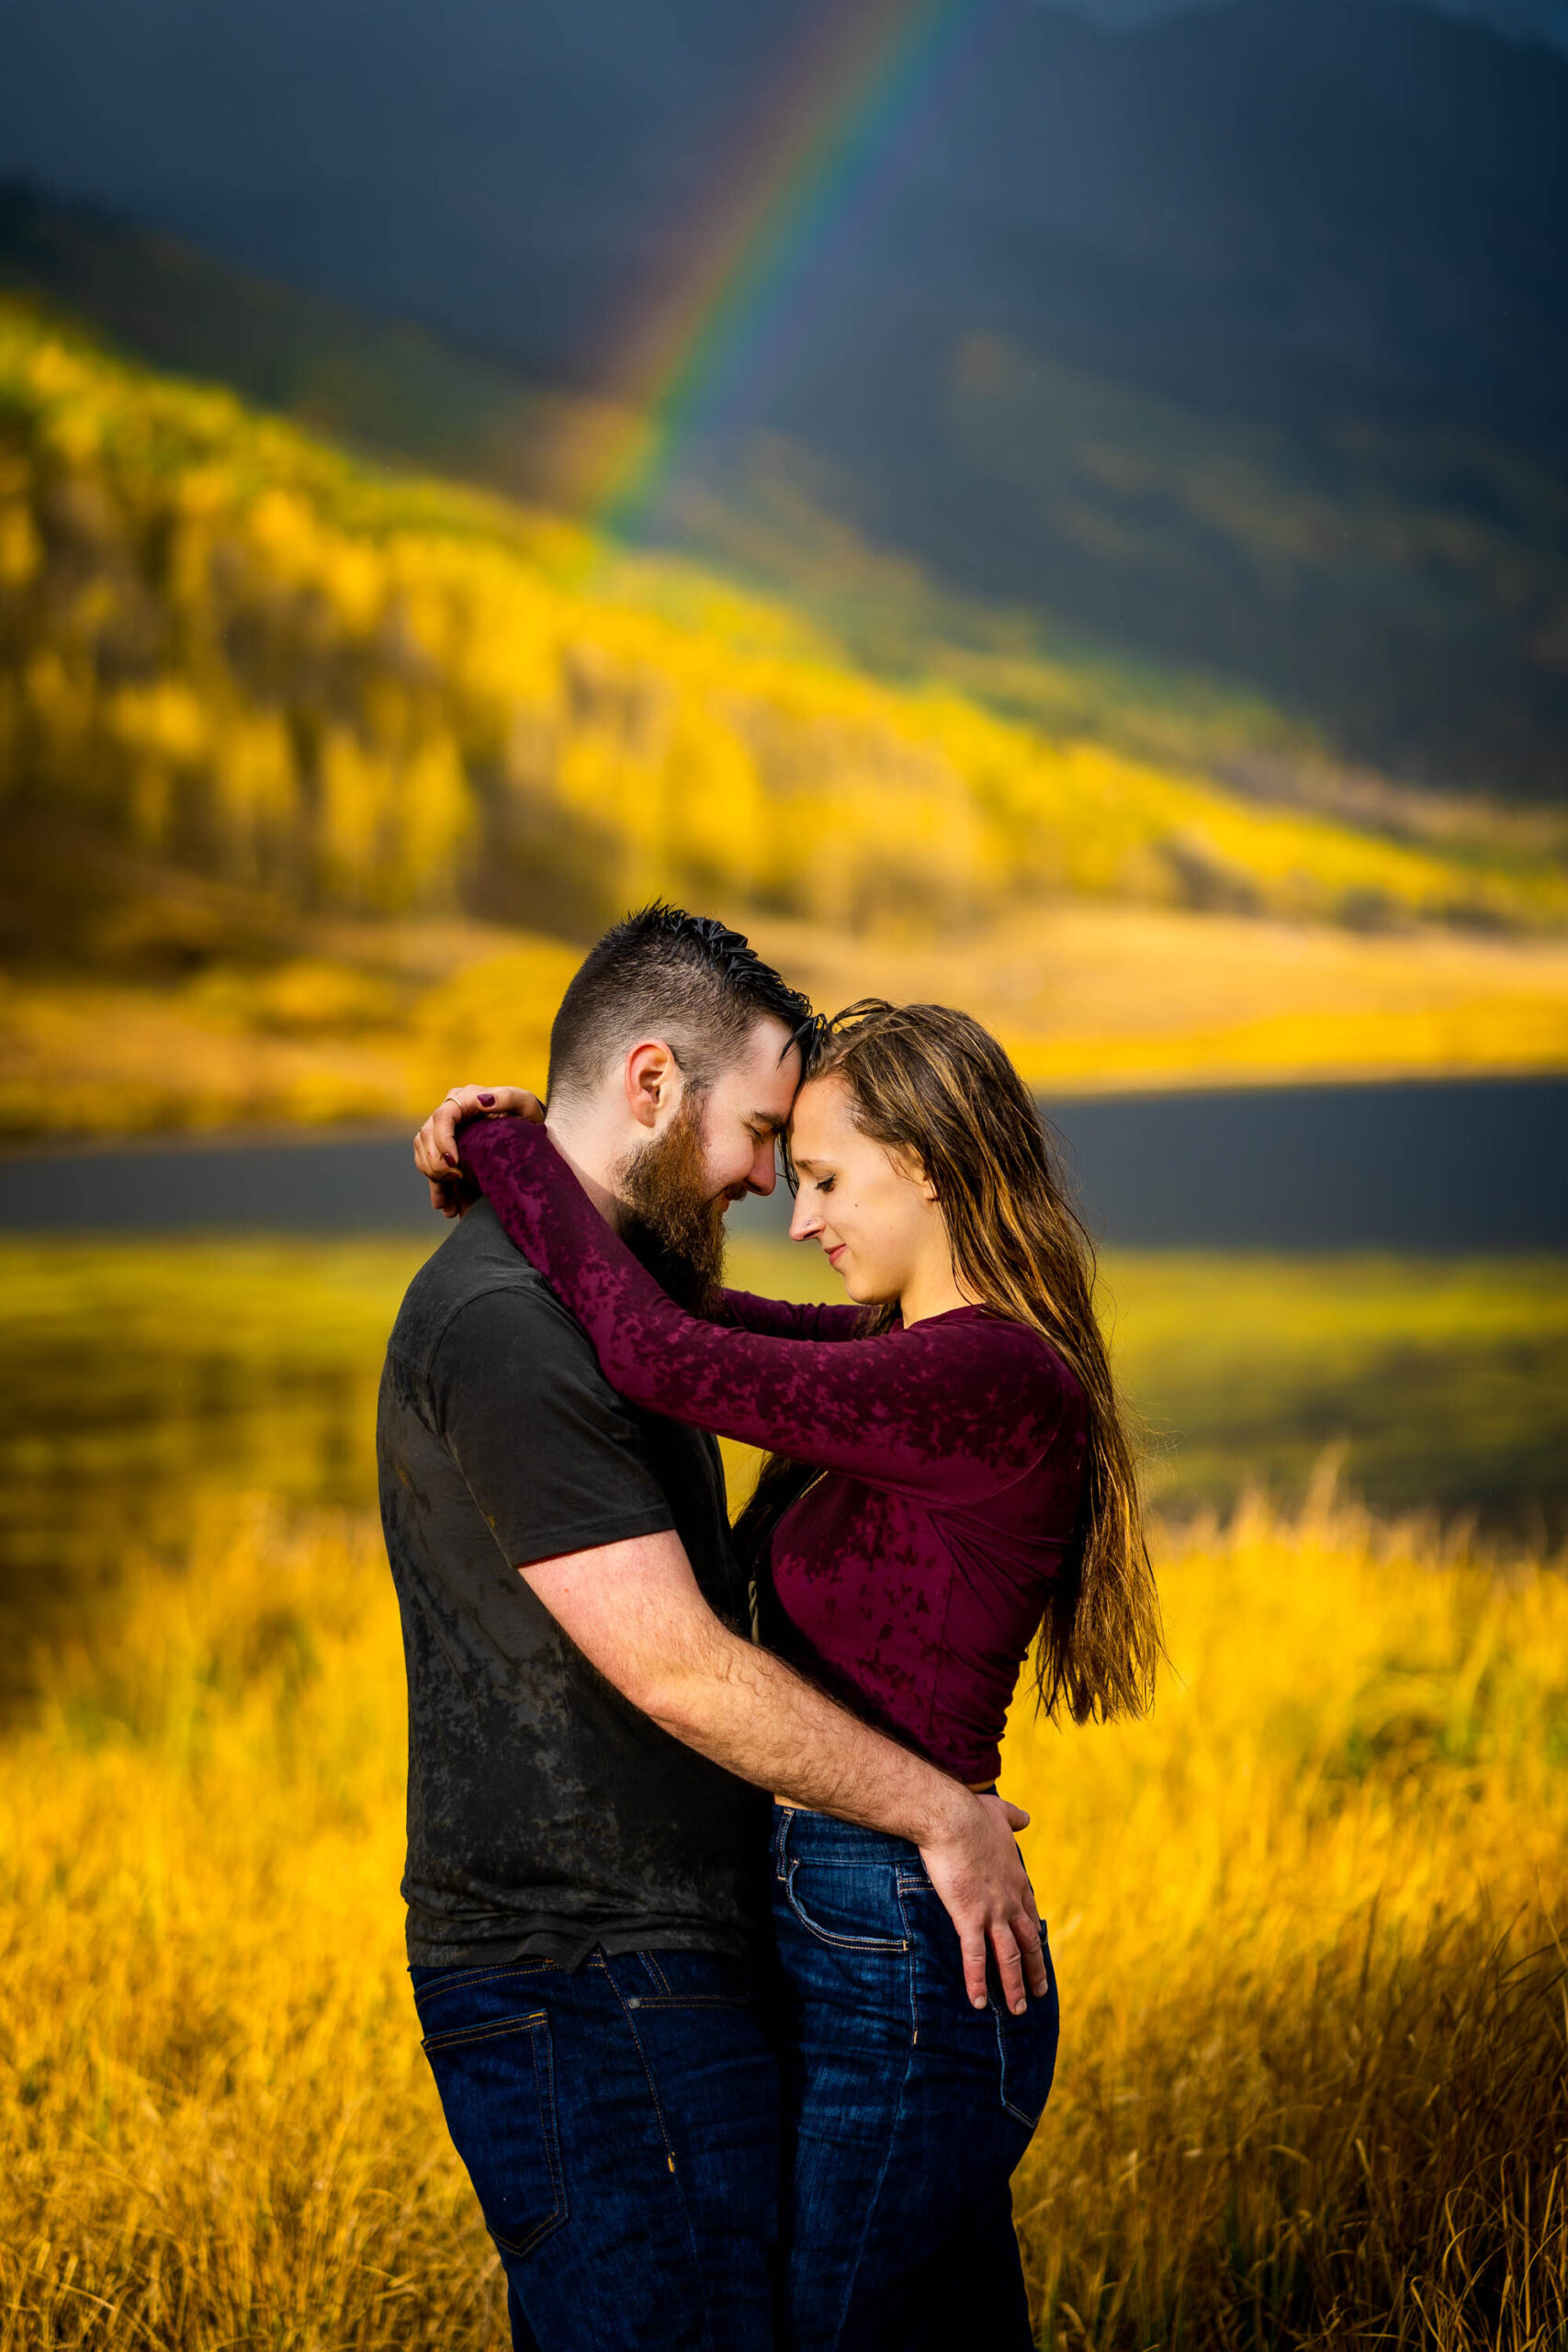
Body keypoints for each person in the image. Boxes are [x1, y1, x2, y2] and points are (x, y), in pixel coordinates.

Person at [423, 995, 1161, 2351]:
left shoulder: (987, 1376)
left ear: (927, 1162)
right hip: (850, 1917)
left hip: (899, 1940)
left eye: (821, 1177)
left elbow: (660, 1354)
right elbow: (680, 1310)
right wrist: (535, 1159)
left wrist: (503, 1145)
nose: (802, 1214)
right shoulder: (907, 1355)